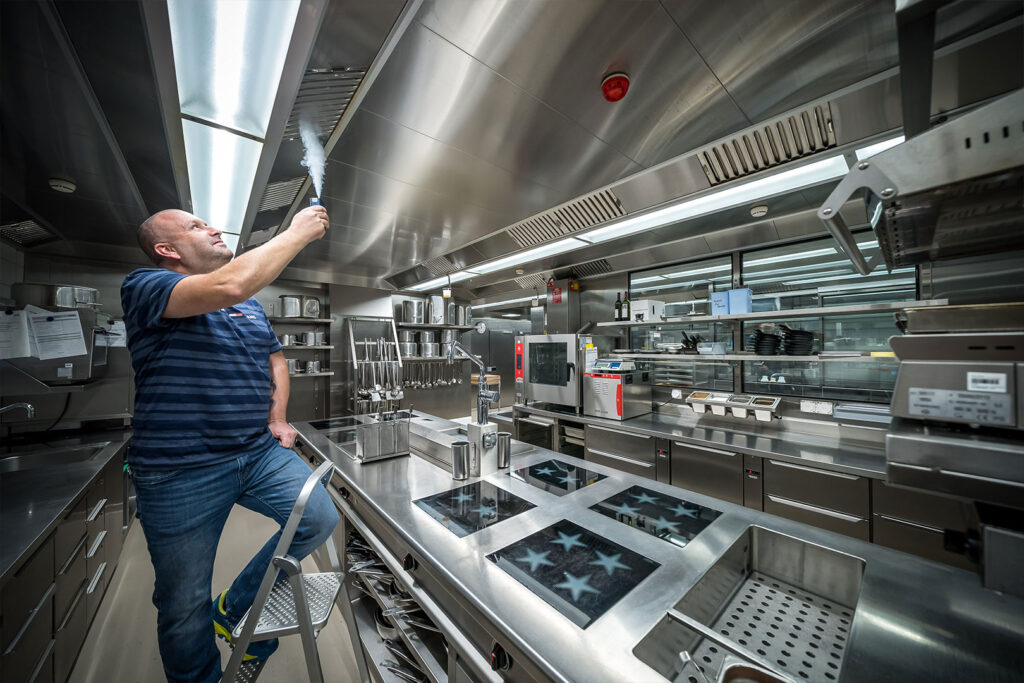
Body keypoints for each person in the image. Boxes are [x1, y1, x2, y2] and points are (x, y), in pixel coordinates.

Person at [120, 205, 339, 683]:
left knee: (319, 518)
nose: (214, 228)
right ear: (167, 249)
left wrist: (277, 417)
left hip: (257, 452)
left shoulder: (251, 307)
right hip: (182, 469)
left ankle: (234, 607)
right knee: (182, 603)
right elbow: (230, 284)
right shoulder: (145, 285)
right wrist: (297, 233)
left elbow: (275, 361)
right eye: (197, 226)